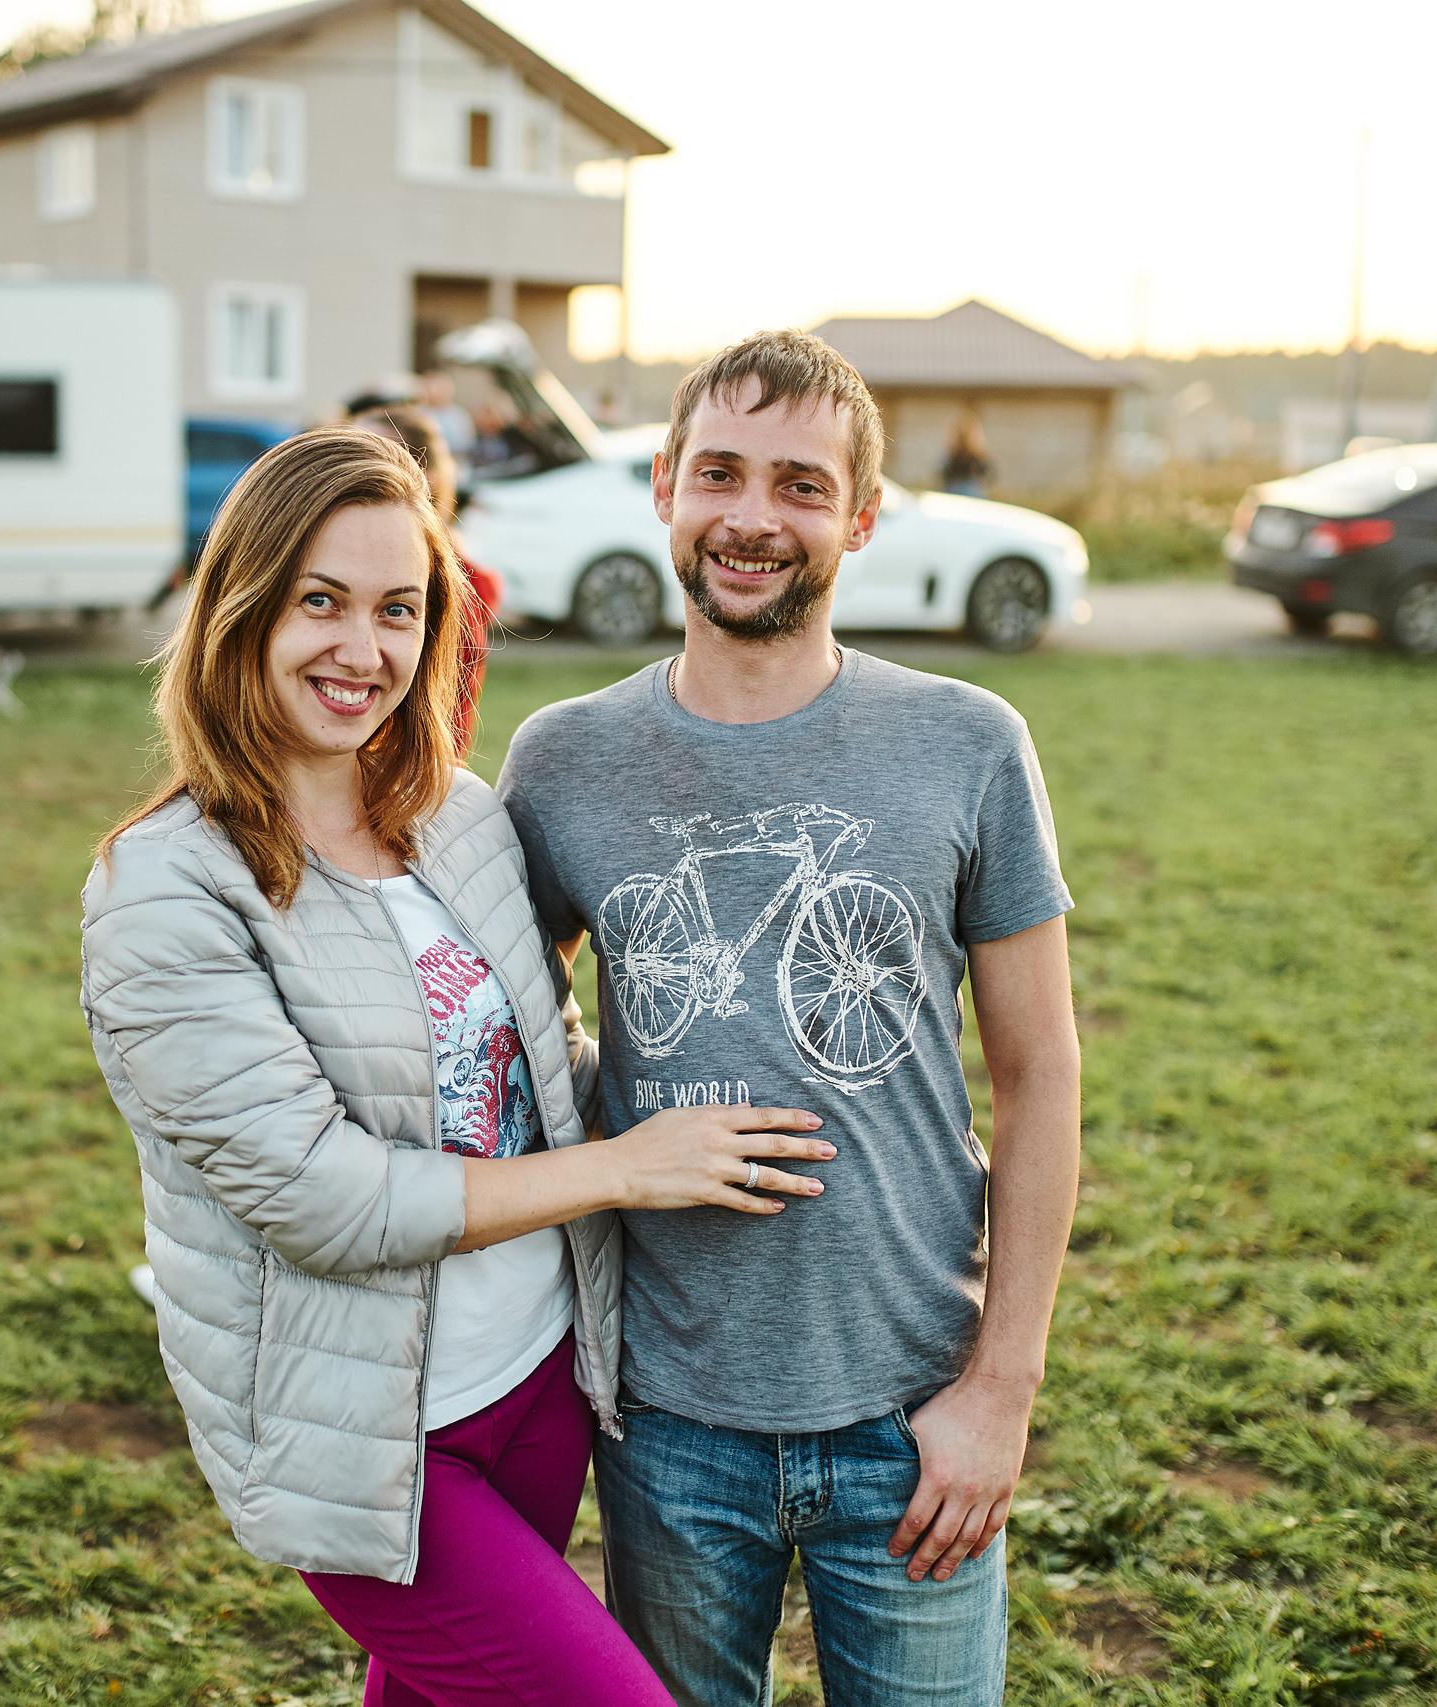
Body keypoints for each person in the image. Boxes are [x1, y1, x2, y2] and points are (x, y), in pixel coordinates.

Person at [79, 426, 836, 1707]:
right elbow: (324, 1198)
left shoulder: (459, 818)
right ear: (241, 611)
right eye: (319, 601)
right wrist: (621, 1171)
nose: (360, 650)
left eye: (397, 609)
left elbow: (539, 1062)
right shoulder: (163, 890)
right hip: (366, 1436)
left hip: (535, 1380)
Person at [497, 330, 1081, 1706]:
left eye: (802, 486)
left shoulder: (969, 742)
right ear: (664, 487)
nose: (754, 517)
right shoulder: (561, 757)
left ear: (861, 517)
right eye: (722, 473)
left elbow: (1041, 1069)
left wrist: (1001, 1387)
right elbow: (498, 1028)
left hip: (915, 1407)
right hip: (670, 1422)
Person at [349, 405, 501, 753]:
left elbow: (446, 723)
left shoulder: (455, 586)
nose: (348, 473)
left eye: (370, 459)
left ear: (425, 476)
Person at [941, 407, 993, 497]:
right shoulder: (952, 453)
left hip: (971, 491)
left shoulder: (978, 454)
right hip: (955, 490)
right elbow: (943, 472)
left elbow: (988, 473)